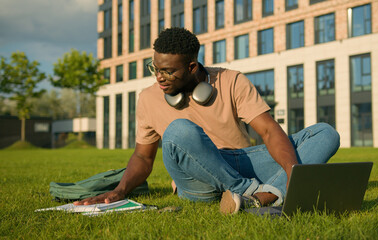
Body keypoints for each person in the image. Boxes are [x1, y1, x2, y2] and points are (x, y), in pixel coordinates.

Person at [74, 27, 340, 214]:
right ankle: (251, 192)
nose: (159, 77)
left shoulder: (232, 80)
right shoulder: (147, 98)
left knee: (326, 133)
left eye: (168, 71)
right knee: (178, 130)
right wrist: (120, 191)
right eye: (155, 68)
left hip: (239, 160)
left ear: (191, 67)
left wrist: (293, 172)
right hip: (194, 180)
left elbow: (269, 132)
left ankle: (265, 196)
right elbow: (143, 158)